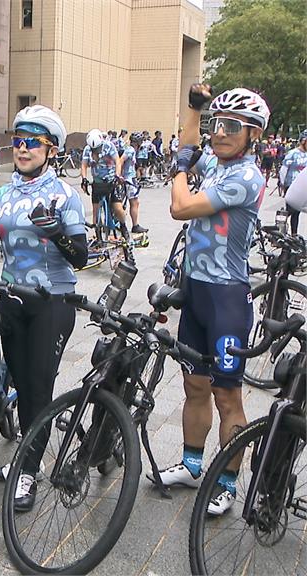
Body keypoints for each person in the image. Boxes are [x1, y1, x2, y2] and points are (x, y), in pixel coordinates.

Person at [0, 105, 87, 511]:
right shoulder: (6, 193)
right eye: (18, 141)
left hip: (52, 302)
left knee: (37, 387)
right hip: (12, 298)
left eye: (32, 143)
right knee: (21, 381)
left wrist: (57, 233)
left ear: (51, 149)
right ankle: (22, 447)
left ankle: (28, 470)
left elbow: (79, 256)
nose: (22, 149)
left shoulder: (65, 195)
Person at [155, 84, 269, 517]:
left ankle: (226, 483)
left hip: (226, 298)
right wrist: (193, 109)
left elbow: (180, 207)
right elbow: (187, 148)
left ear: (253, 134)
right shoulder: (221, 166)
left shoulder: (246, 176)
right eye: (215, 125)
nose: (218, 133)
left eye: (231, 127)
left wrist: (178, 171)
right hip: (197, 292)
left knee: (227, 396)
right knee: (193, 386)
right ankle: (191, 464)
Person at [80, 128, 128, 245]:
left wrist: (117, 174)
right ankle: (97, 235)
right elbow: (84, 165)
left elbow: (117, 161)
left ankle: (123, 226)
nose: (95, 151)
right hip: (97, 183)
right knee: (95, 211)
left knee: (118, 208)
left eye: (97, 148)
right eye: (93, 149)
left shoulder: (109, 146)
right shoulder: (87, 149)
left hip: (111, 181)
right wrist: (84, 179)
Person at [280, 130, 307, 233]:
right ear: (303, 141)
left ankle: (294, 234)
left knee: (297, 213)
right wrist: (282, 183)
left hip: (302, 188)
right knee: (291, 210)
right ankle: (280, 230)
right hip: (291, 185)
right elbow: (284, 169)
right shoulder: (293, 153)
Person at [122, 133, 147, 233]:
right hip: (128, 179)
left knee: (127, 203)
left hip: (128, 178)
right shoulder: (130, 150)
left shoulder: (130, 149)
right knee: (134, 202)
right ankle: (135, 225)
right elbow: (121, 160)